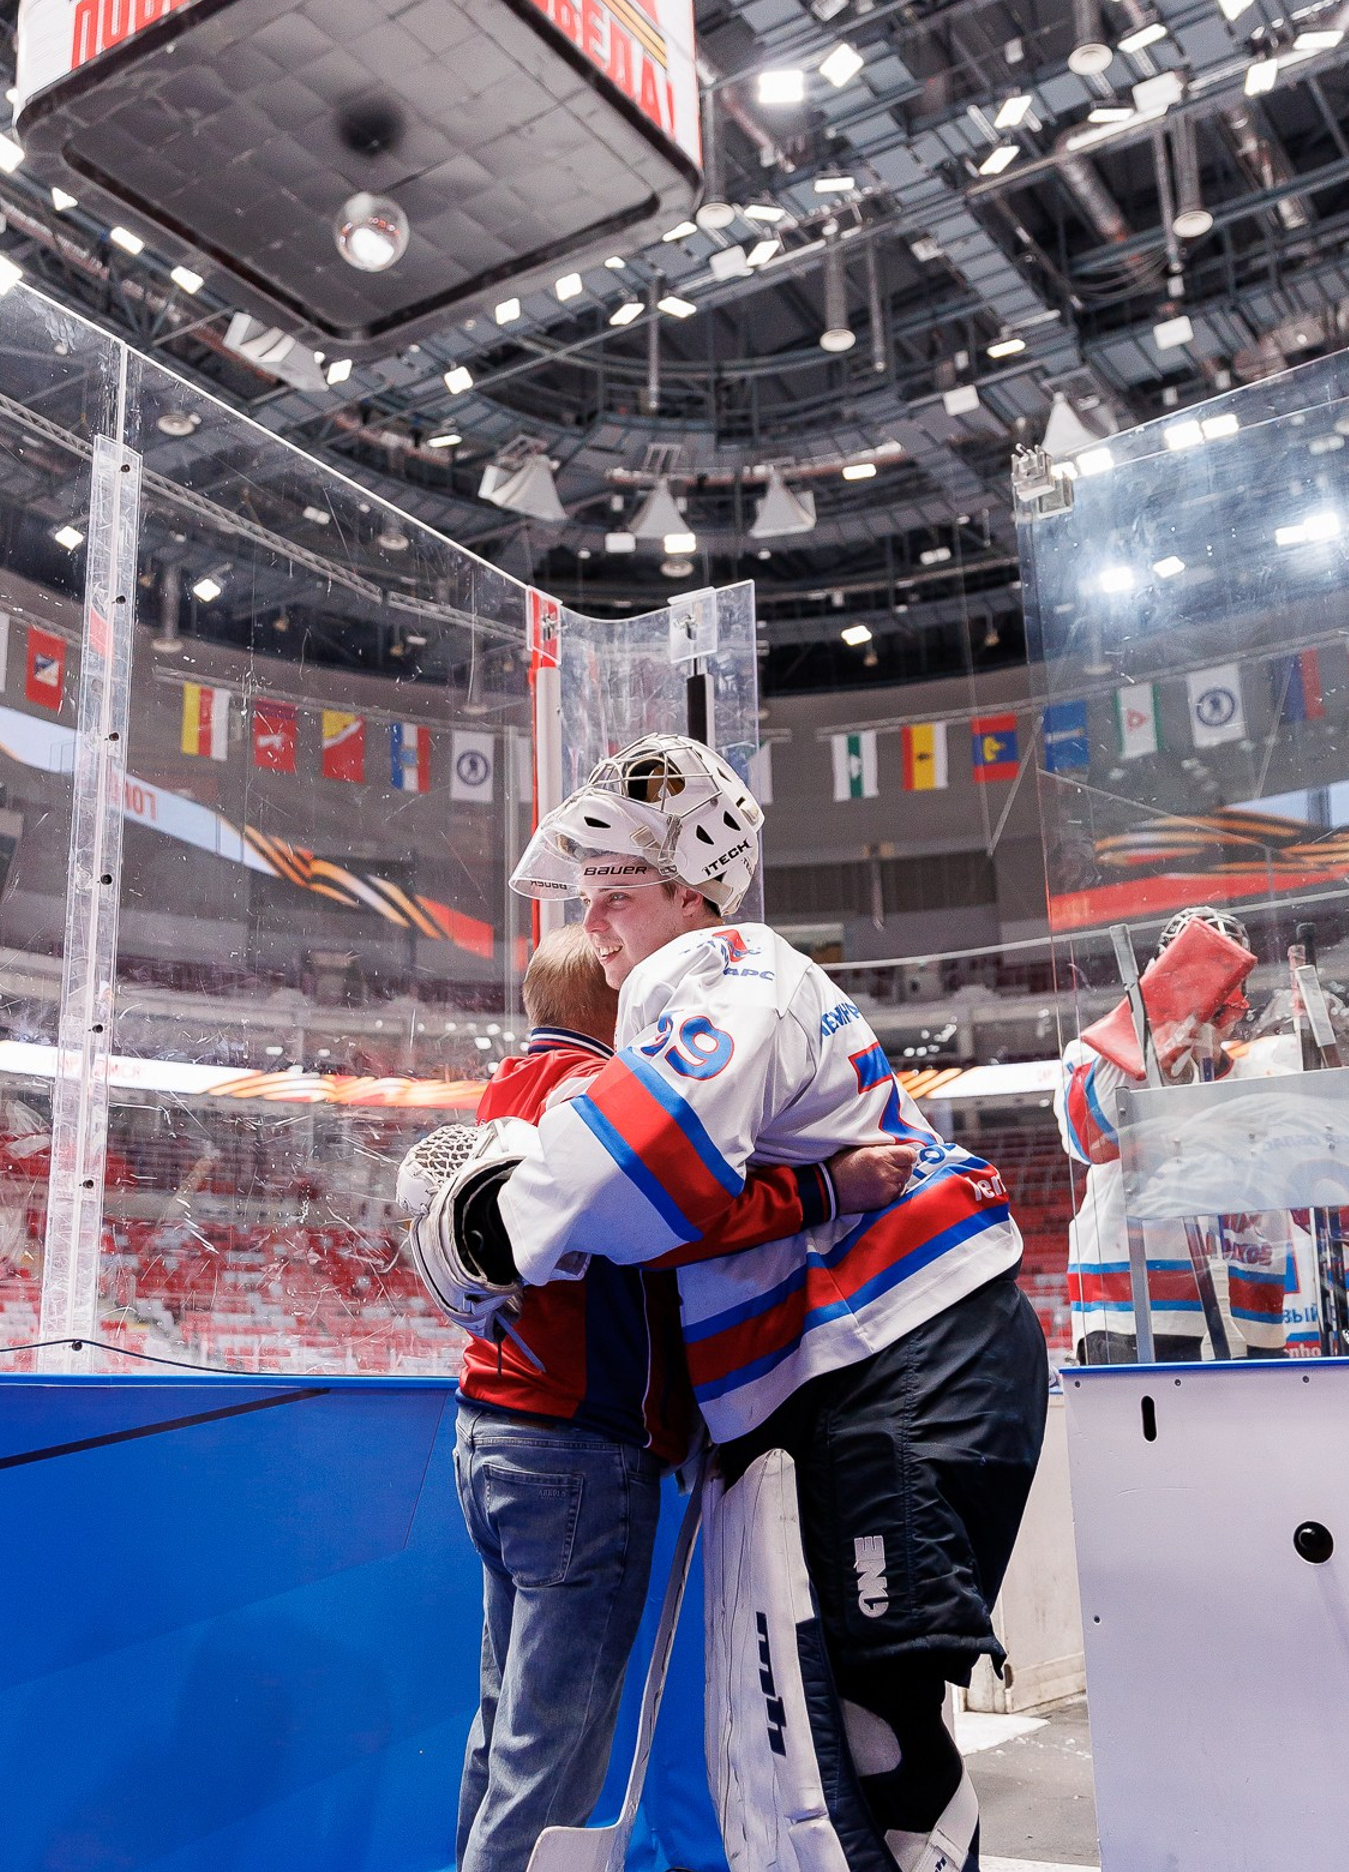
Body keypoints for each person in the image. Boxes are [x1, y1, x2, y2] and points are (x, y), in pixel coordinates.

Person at [403, 735, 1047, 1872]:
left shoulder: (730, 971)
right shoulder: (722, 988)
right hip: (869, 1377)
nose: (594, 924)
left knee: (864, 1746)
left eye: (617, 892)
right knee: (818, 1750)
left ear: (694, 890)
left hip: (893, 1366)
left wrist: (487, 1232)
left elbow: (636, 1172)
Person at [448, 922, 919, 1872]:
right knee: (552, 1754)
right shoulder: (598, 1103)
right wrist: (826, 1189)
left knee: (504, 1728)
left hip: (490, 1437)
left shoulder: (502, 1093)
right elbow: (682, 1221)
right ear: (611, 1007)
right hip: (580, 1448)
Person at [1056, 906, 1289, 1364]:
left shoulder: (1266, 1073)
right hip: (1129, 1306)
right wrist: (1156, 1034)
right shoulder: (1094, 1053)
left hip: (1250, 1312)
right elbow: (1086, 1139)